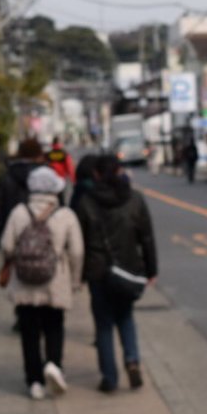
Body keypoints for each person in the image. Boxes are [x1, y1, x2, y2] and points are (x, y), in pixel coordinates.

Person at [74, 153, 158, 393]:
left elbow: (78, 242)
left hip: (98, 271)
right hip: (128, 269)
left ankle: (109, 378)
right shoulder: (134, 199)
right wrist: (151, 270)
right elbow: (147, 238)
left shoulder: (86, 202)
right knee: (126, 317)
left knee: (103, 325)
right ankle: (132, 360)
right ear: (120, 172)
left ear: (97, 174)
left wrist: (78, 275)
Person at [1, 166, 84, 400]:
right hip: (55, 281)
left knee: (29, 332)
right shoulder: (66, 215)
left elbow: (7, 246)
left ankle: (34, 381)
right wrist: (75, 280)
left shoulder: (19, 212)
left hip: (24, 281)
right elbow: (77, 251)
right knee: (54, 325)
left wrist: (16, 259)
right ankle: (53, 365)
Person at [0, 137, 44, 252]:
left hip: (13, 236)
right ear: (39, 155)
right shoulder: (48, 178)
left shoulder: (6, 177)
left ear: (20, 154)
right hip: (44, 238)